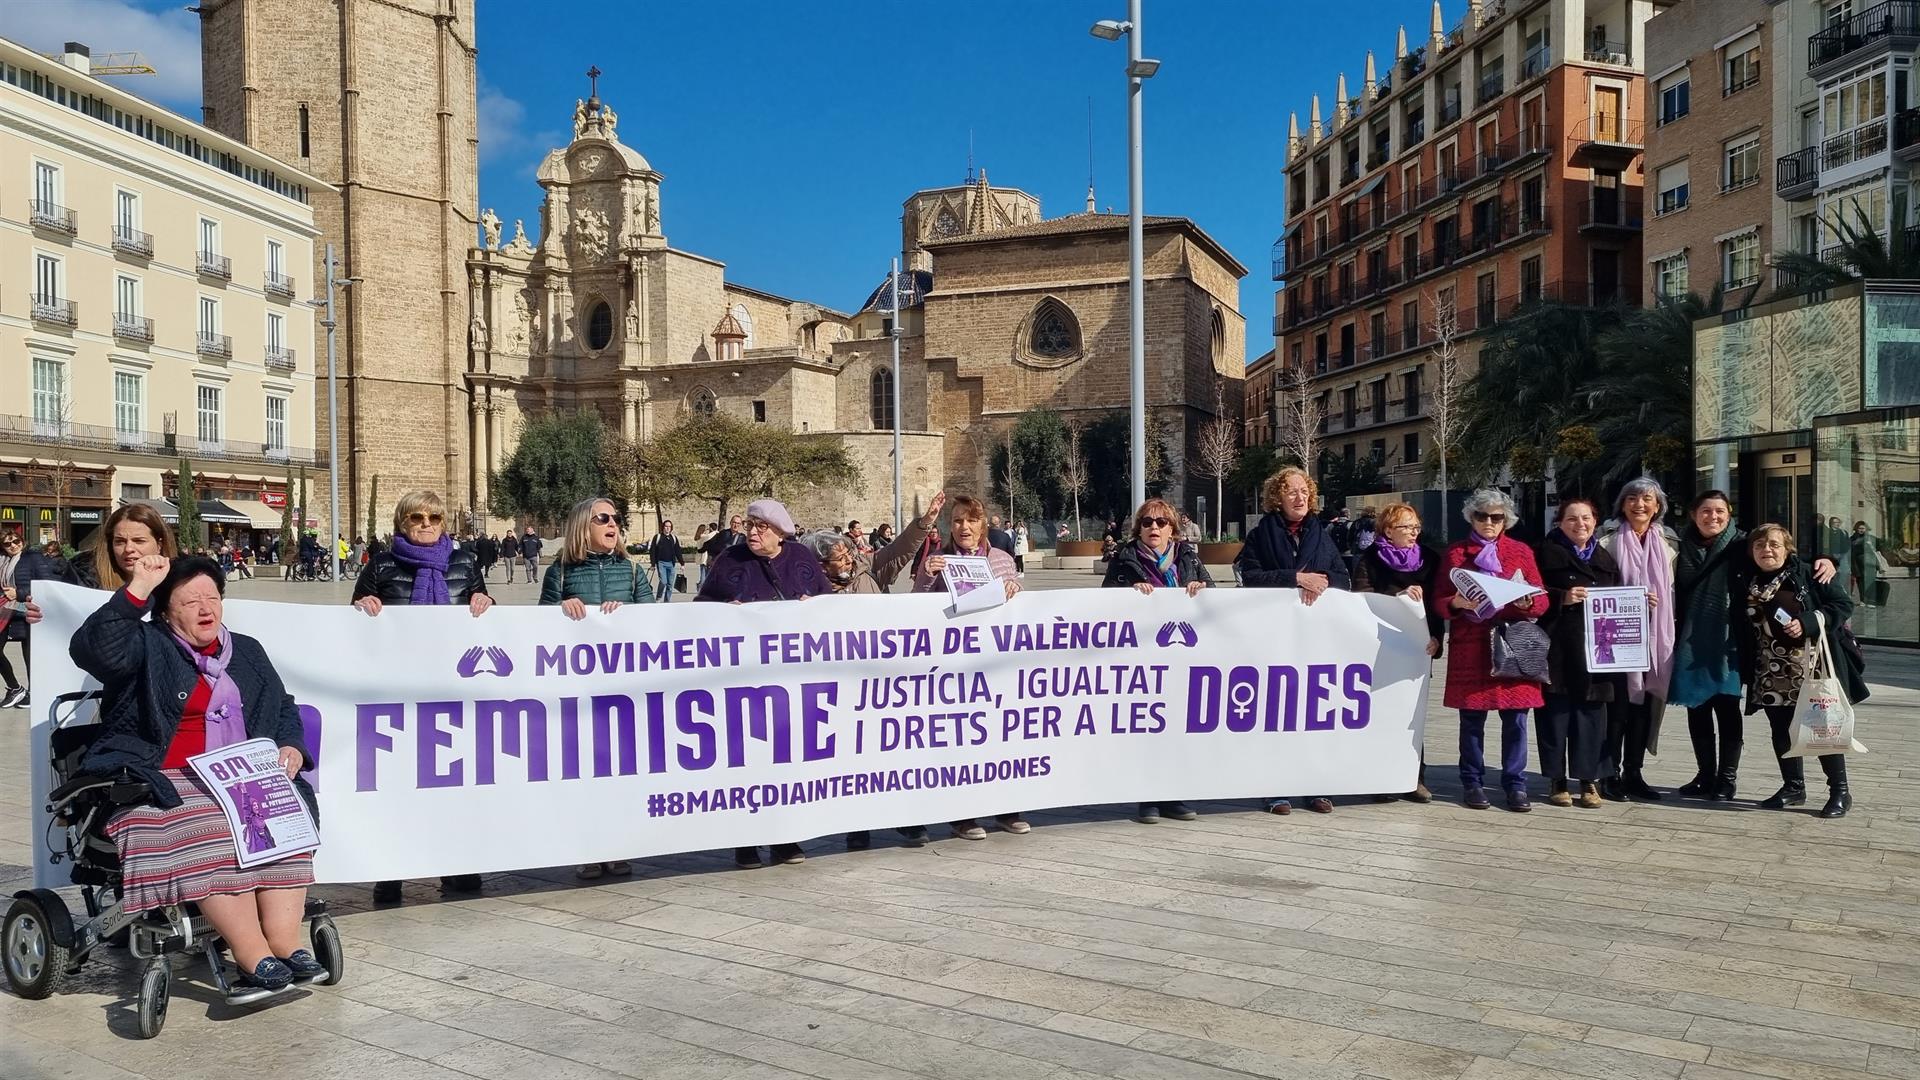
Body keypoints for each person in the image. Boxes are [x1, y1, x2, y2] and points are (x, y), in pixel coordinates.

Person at [69, 554, 322, 991]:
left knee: (281, 820)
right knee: (212, 827)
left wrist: (290, 746)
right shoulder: (147, 644)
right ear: (165, 609)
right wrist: (140, 587)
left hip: (241, 774)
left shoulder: (246, 650)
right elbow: (95, 650)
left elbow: (282, 707)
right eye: (191, 602)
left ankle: (285, 943)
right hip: (162, 779)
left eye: (212, 598)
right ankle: (251, 954)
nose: (206, 609)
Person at [351, 489, 494, 902]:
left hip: (452, 693)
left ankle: (456, 862)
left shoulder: (464, 563)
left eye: (433, 517)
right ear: (403, 524)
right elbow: (353, 620)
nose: (426, 524)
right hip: (395, 692)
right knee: (396, 784)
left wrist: (485, 598)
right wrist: (364, 604)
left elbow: (482, 616)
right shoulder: (381, 564)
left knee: (454, 781)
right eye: (417, 518)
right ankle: (392, 869)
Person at [802, 493, 948, 848]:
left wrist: (924, 522)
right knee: (852, 758)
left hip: (882, 681)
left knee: (893, 755)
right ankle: (858, 825)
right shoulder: (808, 594)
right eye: (839, 557)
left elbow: (900, 550)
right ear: (821, 565)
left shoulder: (870, 571)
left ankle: (906, 819)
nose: (848, 559)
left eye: (848, 553)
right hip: (840, 687)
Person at [696, 499, 825, 866]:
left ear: (780, 531)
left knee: (788, 762)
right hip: (744, 686)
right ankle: (746, 842)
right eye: (750, 526)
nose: (753, 532)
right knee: (748, 764)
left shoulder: (800, 557)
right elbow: (699, 605)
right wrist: (722, 614)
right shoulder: (730, 561)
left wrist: (811, 606)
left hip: (791, 685)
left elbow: (827, 606)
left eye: (761, 527)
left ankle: (786, 839)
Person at [542, 496, 654, 877]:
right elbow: (537, 628)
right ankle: (588, 847)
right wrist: (561, 611)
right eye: (602, 518)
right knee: (583, 770)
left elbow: (655, 622)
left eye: (615, 518)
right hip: (580, 689)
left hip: (626, 688)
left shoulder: (633, 572)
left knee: (623, 769)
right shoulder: (560, 573)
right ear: (582, 527)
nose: (612, 524)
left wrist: (628, 617)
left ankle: (619, 844)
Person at [1235, 467, 1349, 815]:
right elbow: (1249, 576)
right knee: (1276, 712)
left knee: (1312, 713)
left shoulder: (1322, 533)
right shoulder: (1261, 534)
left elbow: (1343, 577)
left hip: (1315, 639)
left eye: (1304, 491)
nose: (1300, 498)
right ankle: (1275, 787)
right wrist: (1295, 579)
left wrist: (1321, 582)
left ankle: (1313, 785)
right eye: (1291, 492)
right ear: (1277, 498)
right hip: (1274, 637)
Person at [914, 495, 1027, 839]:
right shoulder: (937, 560)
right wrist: (926, 576)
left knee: (1000, 738)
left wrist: (1013, 588)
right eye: (959, 521)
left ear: (983, 525)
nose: (965, 527)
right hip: (955, 665)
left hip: (994, 662)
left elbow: (1019, 606)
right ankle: (962, 814)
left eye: (972, 520)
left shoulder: (1002, 559)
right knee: (960, 740)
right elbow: (916, 607)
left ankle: (1006, 810)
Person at [1734, 525, 1865, 818]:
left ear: (1787, 549)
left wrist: (1808, 621)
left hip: (1811, 666)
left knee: (1823, 728)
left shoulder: (1807, 573)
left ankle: (1840, 791)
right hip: (1769, 670)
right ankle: (1793, 787)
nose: (1767, 550)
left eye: (1774, 545)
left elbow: (1842, 604)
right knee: (1781, 730)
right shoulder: (1747, 578)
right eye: (1759, 545)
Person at [1432, 488, 1549, 813]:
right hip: (1472, 646)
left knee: (1516, 721)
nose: (1488, 522)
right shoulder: (1456, 553)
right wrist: (1454, 602)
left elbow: (1542, 598)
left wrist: (1528, 601)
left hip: (1513, 642)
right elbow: (1439, 599)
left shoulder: (1521, 551)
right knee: (1471, 720)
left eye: (1496, 517)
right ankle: (1472, 781)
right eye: (1481, 516)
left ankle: (1515, 784)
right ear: (1472, 517)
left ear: (1506, 521)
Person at [1103, 498, 1210, 824]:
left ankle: (1173, 794)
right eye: (1147, 522)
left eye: (1161, 522)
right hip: (1142, 660)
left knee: (1177, 726)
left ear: (1172, 529)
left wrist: (1201, 588)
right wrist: (1128, 594)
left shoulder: (1188, 558)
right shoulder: (1125, 559)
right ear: (1139, 527)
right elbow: (1102, 601)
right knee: (1148, 727)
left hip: (1182, 659)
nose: (1154, 527)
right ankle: (1147, 797)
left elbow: (1216, 596)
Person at [1350, 502, 1440, 803]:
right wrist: (1398, 597)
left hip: (1418, 647)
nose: (1414, 532)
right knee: (1381, 711)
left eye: (1416, 527)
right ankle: (1380, 778)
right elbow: (1362, 598)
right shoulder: (1369, 559)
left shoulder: (1430, 559)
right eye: (1406, 527)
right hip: (1381, 648)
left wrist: (1437, 637)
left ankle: (1415, 777)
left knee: (1412, 714)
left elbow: (1437, 605)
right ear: (1388, 529)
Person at [1595, 478, 1677, 802]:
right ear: (1622, 504)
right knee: (1617, 709)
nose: (1639, 504)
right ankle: (1609, 773)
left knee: (1644, 709)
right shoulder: (1606, 539)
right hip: (1616, 638)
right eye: (1632, 498)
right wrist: (1631, 599)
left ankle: (1634, 772)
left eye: (1647, 499)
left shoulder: (1670, 543)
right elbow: (1597, 585)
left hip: (1657, 639)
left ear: (1658, 506)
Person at [1534, 498, 1619, 810]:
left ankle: (1588, 780)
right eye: (1572, 519)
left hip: (1597, 649)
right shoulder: (1543, 553)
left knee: (1591, 716)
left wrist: (1639, 605)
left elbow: (1619, 599)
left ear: (1595, 521)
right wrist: (1562, 598)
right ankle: (1556, 780)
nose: (1580, 524)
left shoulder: (1605, 558)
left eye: (1586, 518)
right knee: (1555, 715)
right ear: (1560, 522)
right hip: (1556, 646)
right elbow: (1530, 594)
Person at [1672, 491, 1747, 801]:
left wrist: (1829, 559)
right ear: (1693, 514)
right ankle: (1705, 774)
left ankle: (1726, 779)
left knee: (1728, 707)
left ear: (1729, 514)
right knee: (1697, 707)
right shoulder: (1678, 546)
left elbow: (1782, 555)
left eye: (1719, 511)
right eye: (1706, 510)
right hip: (1691, 638)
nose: (1713, 517)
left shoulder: (1743, 543)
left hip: (1727, 638)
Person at [648, 519, 683, 602]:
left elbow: (677, 550)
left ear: (671, 528)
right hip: (661, 563)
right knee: (663, 581)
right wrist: (653, 564)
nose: (667, 528)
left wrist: (682, 563)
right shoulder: (658, 537)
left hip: (671, 564)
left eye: (669, 527)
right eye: (666, 526)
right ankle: (659, 597)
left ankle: (667, 601)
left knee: (670, 584)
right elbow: (652, 551)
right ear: (663, 527)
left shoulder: (673, 538)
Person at [1851, 520, 1881, 606]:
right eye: (1859, 528)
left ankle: (1871, 600)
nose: (1861, 530)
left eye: (1863, 528)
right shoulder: (1852, 538)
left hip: (1870, 562)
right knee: (1860, 582)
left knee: (1870, 581)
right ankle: (1863, 600)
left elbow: (1878, 549)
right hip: (1857, 563)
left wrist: (1870, 546)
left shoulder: (1871, 538)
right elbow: (1850, 551)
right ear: (1856, 529)